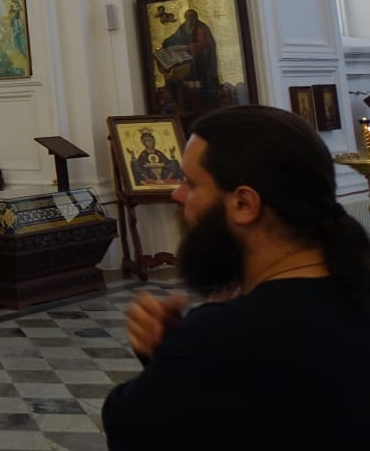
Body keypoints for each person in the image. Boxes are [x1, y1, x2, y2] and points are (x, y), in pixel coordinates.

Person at [103, 105, 370, 449]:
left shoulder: (223, 337)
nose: (176, 194)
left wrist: (177, 355)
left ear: (244, 203)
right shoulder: (355, 290)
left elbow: (129, 427)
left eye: (190, 183)